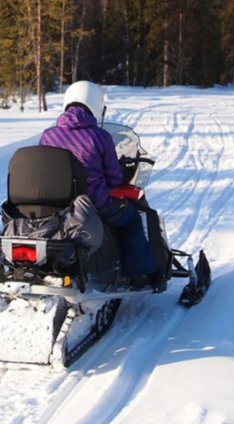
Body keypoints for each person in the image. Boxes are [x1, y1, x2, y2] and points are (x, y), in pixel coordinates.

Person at [39, 81, 157, 285]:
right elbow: (114, 179)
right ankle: (139, 275)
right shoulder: (100, 137)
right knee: (131, 220)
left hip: (57, 206)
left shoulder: (49, 135)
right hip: (96, 205)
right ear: (96, 106)